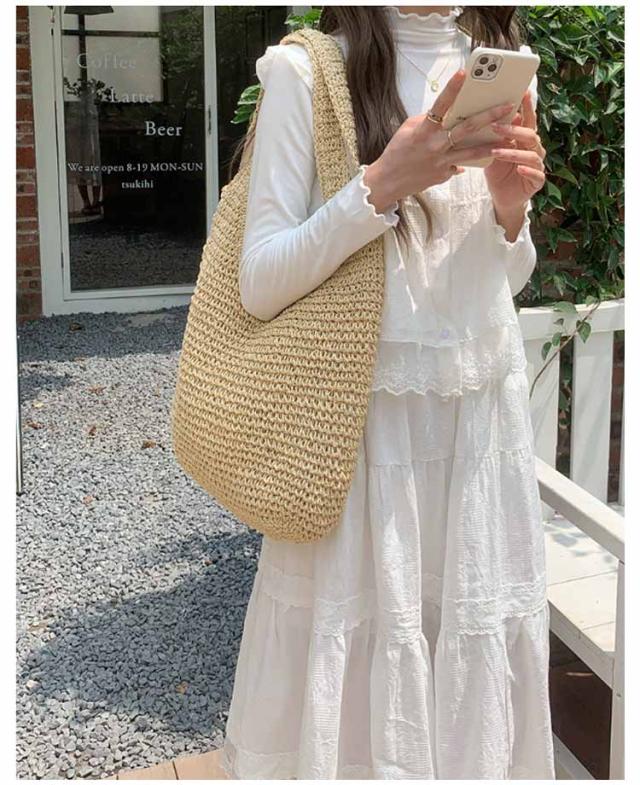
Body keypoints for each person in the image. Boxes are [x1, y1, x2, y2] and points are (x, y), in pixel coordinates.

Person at [219, 5, 554, 780]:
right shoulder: (308, 73)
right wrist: (380, 186)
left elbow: (503, 279)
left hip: (479, 436)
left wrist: (511, 209)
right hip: (360, 437)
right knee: (356, 676)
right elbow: (259, 281)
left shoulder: (496, 65)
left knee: (469, 669)